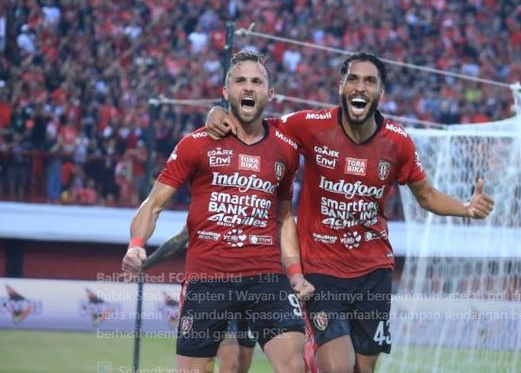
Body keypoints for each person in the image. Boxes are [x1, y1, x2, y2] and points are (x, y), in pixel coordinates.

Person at [206, 52, 495, 373]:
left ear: (380, 93)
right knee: (339, 367)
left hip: (374, 271)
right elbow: (258, 124)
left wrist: (466, 209)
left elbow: (426, 195)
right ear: (341, 87)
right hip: (321, 271)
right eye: (353, 79)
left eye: (369, 81)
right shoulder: (311, 126)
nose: (360, 87)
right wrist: (217, 111)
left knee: (363, 369)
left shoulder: (397, 143)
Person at [122, 51, 314, 373]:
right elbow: (153, 204)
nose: (248, 88)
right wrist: (137, 244)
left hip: (264, 277)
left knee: (294, 365)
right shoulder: (196, 143)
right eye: (240, 81)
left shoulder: (285, 149)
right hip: (208, 279)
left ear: (270, 93)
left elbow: (283, 218)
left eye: (257, 81)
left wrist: (295, 274)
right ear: (226, 92)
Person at [142, 226, 256, 373]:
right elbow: (180, 238)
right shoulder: (206, 209)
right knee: (230, 361)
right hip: (215, 290)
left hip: (252, 289)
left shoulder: (261, 207)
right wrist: (146, 264)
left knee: (242, 365)